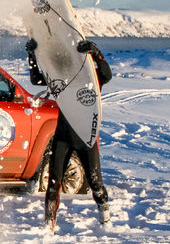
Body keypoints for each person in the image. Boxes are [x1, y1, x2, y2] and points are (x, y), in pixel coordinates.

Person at [26, 37, 113, 230]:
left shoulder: (90, 79)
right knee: (53, 183)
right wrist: (32, 55)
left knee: (95, 182)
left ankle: (105, 219)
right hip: (63, 136)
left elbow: (107, 75)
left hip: (85, 137)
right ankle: (49, 225)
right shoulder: (60, 78)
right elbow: (36, 78)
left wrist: (96, 54)